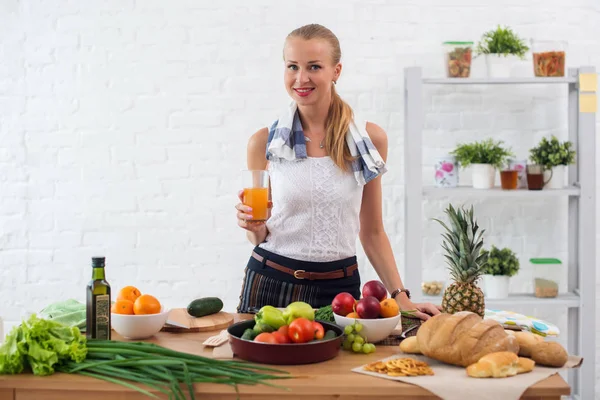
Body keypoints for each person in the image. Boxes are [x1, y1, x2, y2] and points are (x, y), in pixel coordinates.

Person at [234, 23, 440, 321]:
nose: (300, 78)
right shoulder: (264, 142)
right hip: (269, 283)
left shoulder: (369, 141)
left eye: (314, 66)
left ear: (336, 71)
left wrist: (401, 297)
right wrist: (254, 228)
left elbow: (372, 231)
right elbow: (261, 234)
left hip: (339, 291)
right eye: (292, 66)